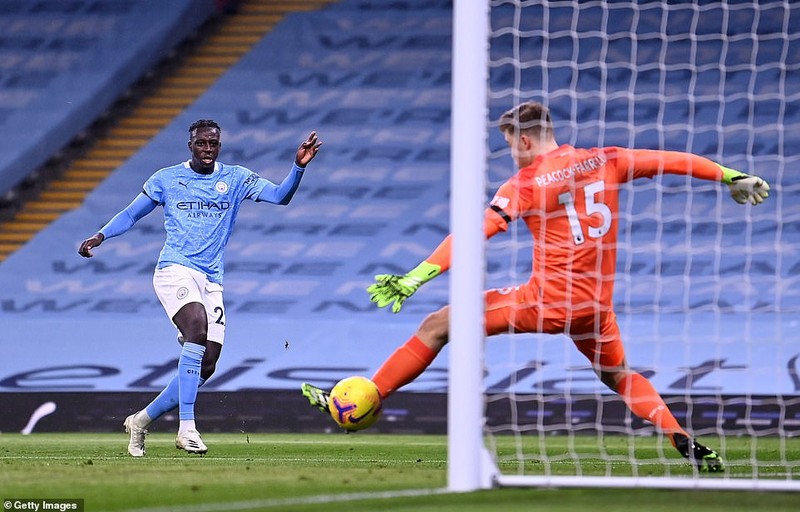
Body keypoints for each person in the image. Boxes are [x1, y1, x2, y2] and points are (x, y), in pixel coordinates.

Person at [302, 101, 771, 472]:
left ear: (524, 139)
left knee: (437, 325)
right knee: (620, 376)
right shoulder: (606, 160)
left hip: (545, 303)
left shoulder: (525, 183)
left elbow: (475, 233)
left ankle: (368, 398)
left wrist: (416, 276)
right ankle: (677, 435)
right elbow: (671, 160)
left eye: (510, 144)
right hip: (595, 307)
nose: (511, 152)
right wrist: (730, 175)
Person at [79, 120, 321, 456]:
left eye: (213, 144)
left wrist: (298, 167)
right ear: (190, 145)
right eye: (201, 144)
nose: (208, 150)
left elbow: (280, 197)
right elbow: (131, 214)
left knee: (206, 364)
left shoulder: (235, 178)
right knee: (196, 328)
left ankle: (140, 421)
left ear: (219, 145)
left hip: (211, 280)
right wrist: (101, 235)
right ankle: (187, 428)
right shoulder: (166, 179)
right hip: (174, 270)